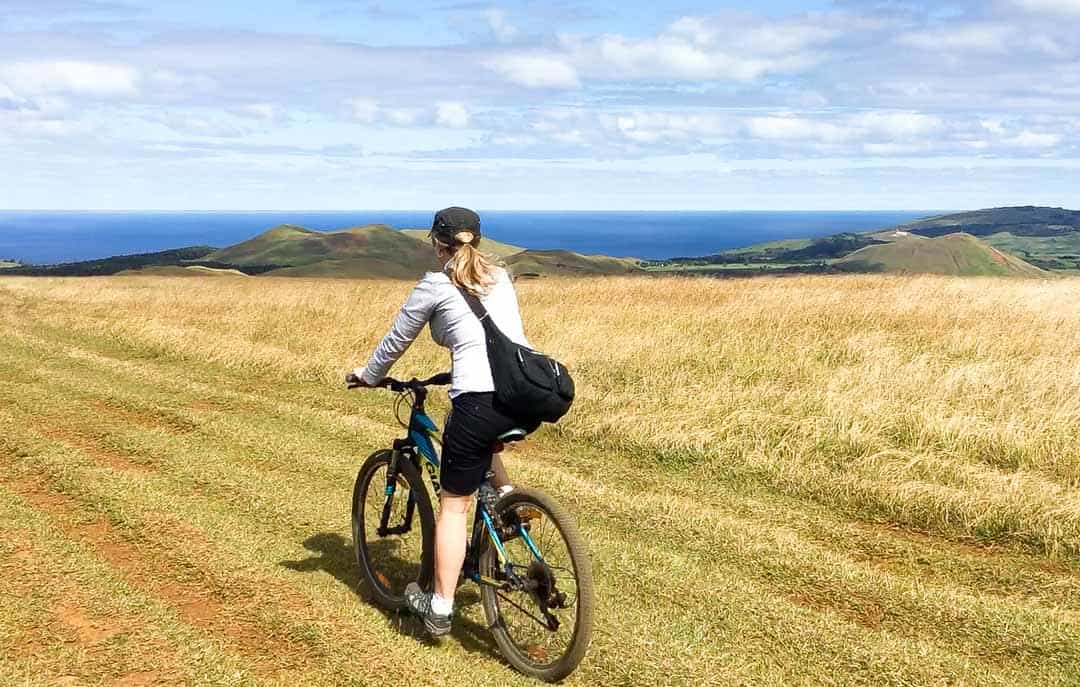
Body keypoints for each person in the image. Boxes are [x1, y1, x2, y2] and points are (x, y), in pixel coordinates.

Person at [348, 206, 534, 636]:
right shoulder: (500, 277)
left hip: (478, 397)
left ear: (437, 244)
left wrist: (369, 376)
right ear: (479, 241)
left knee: (453, 506)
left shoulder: (435, 284)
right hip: (521, 393)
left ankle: (440, 608)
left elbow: (397, 339)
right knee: (478, 443)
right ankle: (508, 505)